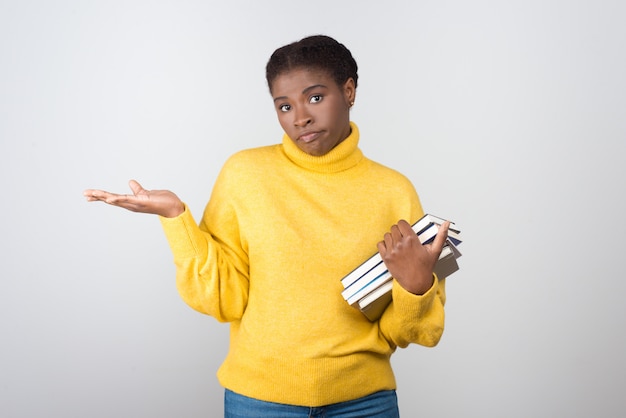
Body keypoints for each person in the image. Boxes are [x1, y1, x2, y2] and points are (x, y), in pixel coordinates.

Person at [84, 35, 449, 418]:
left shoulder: (393, 191)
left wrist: (417, 286)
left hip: (364, 402)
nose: (300, 117)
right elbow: (226, 300)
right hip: (259, 402)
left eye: (316, 98)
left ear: (349, 90)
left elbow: (415, 332)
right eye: (285, 105)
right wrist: (177, 218)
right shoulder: (245, 174)